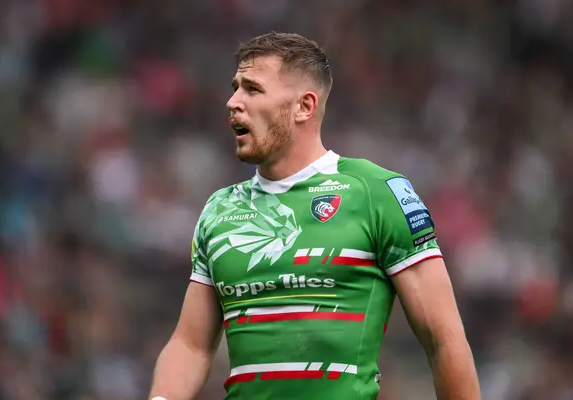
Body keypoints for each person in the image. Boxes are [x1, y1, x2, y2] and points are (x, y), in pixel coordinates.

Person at [148, 31, 480, 400]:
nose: (232, 102)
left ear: (304, 107)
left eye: (252, 89)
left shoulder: (377, 193)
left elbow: (443, 339)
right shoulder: (220, 209)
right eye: (235, 87)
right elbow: (191, 345)